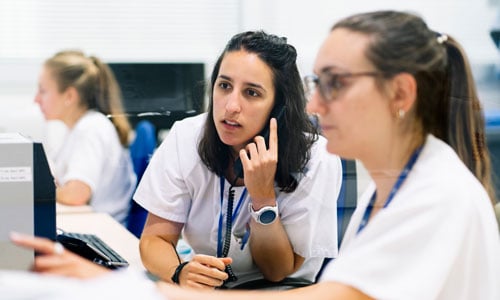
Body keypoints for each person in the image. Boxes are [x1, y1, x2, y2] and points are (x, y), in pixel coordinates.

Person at [12, 10, 500, 300]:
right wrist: (169, 279)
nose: (315, 104)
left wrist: (133, 291)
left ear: (400, 94)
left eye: (335, 84)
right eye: (316, 85)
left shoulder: (434, 196)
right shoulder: (402, 186)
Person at [132, 30, 342, 289]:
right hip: (208, 292)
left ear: (279, 106)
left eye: (251, 93)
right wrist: (180, 272)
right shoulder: (185, 137)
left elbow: (277, 272)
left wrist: (263, 198)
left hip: (280, 292)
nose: (231, 106)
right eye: (224, 86)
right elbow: (155, 241)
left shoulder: (316, 157)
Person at [34, 50, 136, 225]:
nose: (36, 99)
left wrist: (32, 191)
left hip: (103, 233)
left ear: (70, 96)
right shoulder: (80, 128)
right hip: (94, 224)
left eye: (43, 91)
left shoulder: (91, 129)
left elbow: (76, 195)